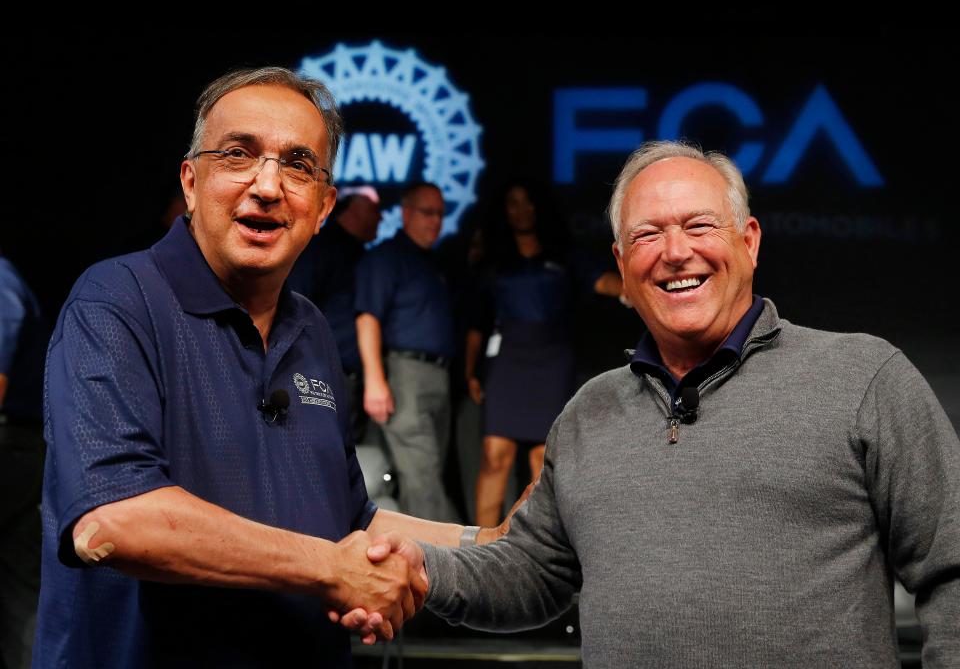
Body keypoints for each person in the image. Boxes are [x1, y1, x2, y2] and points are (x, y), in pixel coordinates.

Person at [364, 141, 960, 667]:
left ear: (749, 242)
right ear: (622, 267)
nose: (675, 252)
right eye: (647, 235)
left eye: (700, 225)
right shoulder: (588, 413)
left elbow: (951, 565)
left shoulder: (863, 379)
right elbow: (532, 574)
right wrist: (418, 566)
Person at [32, 67, 503, 669]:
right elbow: (115, 519)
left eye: (299, 165)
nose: (267, 186)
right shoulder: (116, 300)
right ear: (192, 180)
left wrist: (491, 546)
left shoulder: (309, 329)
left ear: (325, 206)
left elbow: (352, 520)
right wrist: (331, 570)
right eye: (238, 155)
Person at [465, 182, 621, 526]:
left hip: (552, 359)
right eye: (513, 202)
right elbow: (478, 321)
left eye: (528, 202)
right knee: (494, 455)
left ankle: (541, 555)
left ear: (541, 208)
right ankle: (478, 547)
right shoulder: (495, 259)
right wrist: (470, 370)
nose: (521, 210)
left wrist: (637, 290)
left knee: (542, 459)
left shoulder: (565, 253)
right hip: (507, 359)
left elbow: (604, 281)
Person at [355, 183, 460, 522]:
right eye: (427, 213)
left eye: (441, 214)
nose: (435, 222)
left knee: (424, 474)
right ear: (406, 213)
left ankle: (425, 559)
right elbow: (367, 317)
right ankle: (444, 565)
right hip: (404, 375)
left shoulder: (433, 263)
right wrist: (375, 381)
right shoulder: (386, 257)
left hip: (437, 377)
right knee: (422, 479)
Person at [288, 190, 382, 442]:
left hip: (353, 378)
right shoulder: (321, 247)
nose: (381, 218)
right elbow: (293, 305)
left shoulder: (363, 255)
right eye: (374, 209)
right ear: (353, 209)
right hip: (322, 375)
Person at [0, 254, 46, 669]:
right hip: (18, 443)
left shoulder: (0, 282)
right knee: (19, 584)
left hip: (11, 442)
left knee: (20, 584)